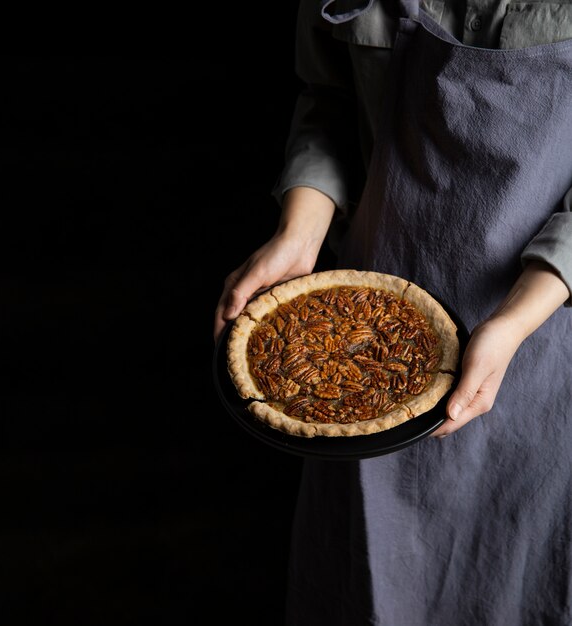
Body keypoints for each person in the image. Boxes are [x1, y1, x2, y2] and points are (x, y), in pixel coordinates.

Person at [214, 0, 572, 623]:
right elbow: (328, 98)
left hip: (538, 341)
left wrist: (513, 321)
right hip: (355, 320)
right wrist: (300, 233)